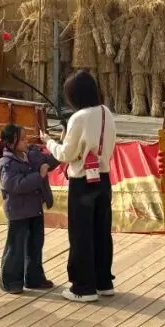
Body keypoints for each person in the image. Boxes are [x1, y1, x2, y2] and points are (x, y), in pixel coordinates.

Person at [43, 69, 117, 303]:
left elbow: (66, 154)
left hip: (82, 181)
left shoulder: (79, 117)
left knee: (81, 234)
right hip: (103, 178)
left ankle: (83, 287)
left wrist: (49, 142)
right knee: (101, 232)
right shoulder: (106, 112)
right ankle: (103, 281)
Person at [0, 123, 58, 294]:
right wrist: (39, 176)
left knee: (35, 245)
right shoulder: (7, 163)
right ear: (10, 143)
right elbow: (14, 185)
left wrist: (60, 145)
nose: (26, 141)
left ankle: (34, 278)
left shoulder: (31, 154)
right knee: (16, 247)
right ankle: (10, 282)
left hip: (35, 208)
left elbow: (49, 161)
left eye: (25, 138)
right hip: (18, 211)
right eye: (22, 139)